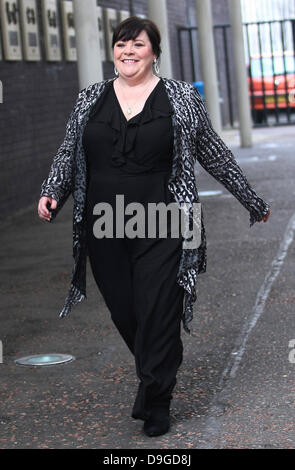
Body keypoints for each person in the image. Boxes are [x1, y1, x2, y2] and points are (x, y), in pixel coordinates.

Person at [37, 16, 270, 438]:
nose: (128, 52)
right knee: (127, 311)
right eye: (121, 45)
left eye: (138, 45)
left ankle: (156, 398)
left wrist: (250, 199)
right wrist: (53, 190)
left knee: (159, 311)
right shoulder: (90, 97)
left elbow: (213, 152)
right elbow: (70, 150)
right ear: (113, 51)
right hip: (104, 224)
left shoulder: (180, 97)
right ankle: (156, 373)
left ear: (154, 51)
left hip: (166, 220)